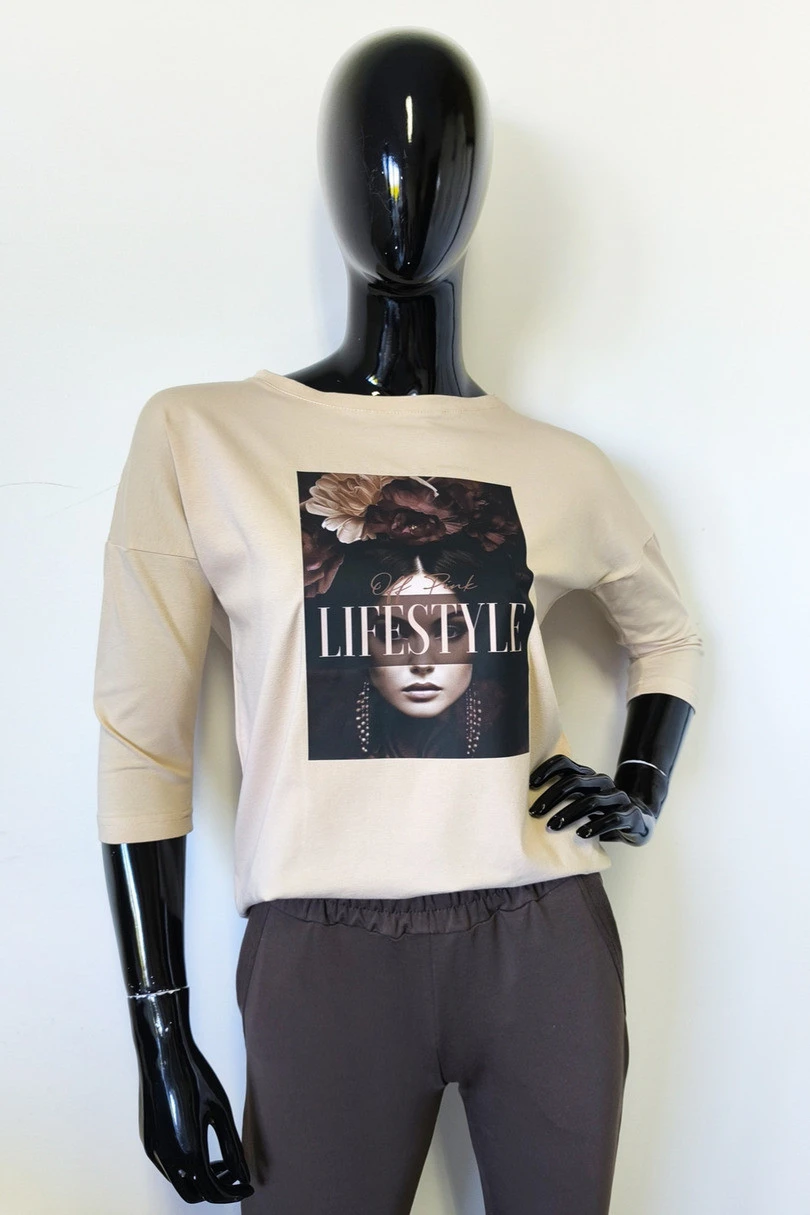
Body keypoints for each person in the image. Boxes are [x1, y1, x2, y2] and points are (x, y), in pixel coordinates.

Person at [94, 28, 702, 1214]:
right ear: (330, 180)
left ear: (481, 190)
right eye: (373, 157)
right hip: (322, 949)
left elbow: (667, 630)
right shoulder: (202, 434)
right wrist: (158, 1030)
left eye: (443, 162)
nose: (409, 192)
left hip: (545, 938)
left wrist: (642, 778)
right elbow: (140, 741)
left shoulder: (559, 464)